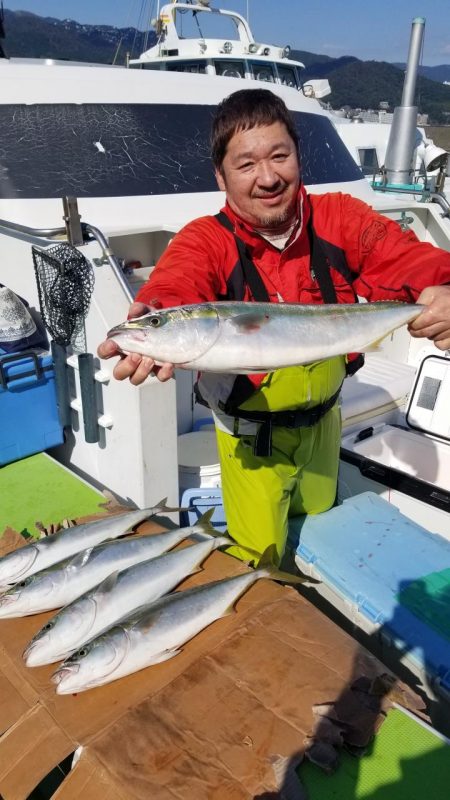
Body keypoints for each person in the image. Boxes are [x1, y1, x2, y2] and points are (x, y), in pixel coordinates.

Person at [98, 88, 450, 566]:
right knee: (258, 558)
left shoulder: (340, 218)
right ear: (221, 177)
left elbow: (412, 261)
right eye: (246, 165)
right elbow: (176, 285)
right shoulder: (205, 240)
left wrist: (443, 293)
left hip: (326, 421)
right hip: (251, 440)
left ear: (298, 158)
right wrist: (151, 319)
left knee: (319, 527)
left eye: (280, 156)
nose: (268, 178)